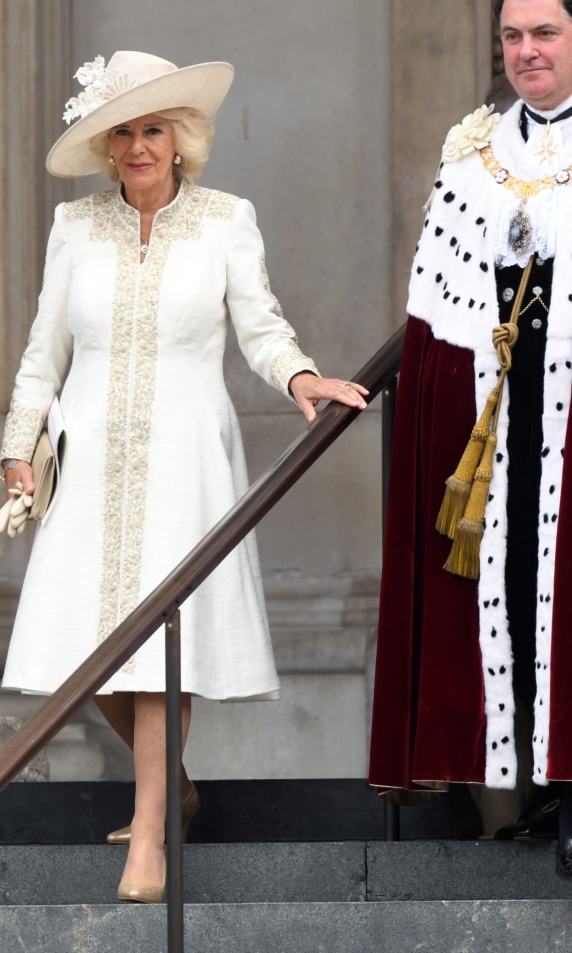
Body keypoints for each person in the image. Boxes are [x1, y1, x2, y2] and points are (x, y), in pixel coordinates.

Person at [0, 51, 366, 904]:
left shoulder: (228, 218)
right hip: (86, 451)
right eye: (121, 131)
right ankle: (175, 786)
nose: (137, 146)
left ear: (182, 137)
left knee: (164, 642)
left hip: (187, 454)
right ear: (104, 144)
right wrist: (20, 444)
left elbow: (261, 327)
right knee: (88, 654)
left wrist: (302, 376)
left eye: (152, 128)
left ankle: (153, 832)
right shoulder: (73, 227)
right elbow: (42, 351)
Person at [369, 0, 572, 870]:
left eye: (546, 34)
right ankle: (538, 795)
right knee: (516, 604)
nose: (527, 52)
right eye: (514, 37)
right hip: (496, 422)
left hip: (569, 414)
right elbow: (433, 319)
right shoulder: (472, 160)